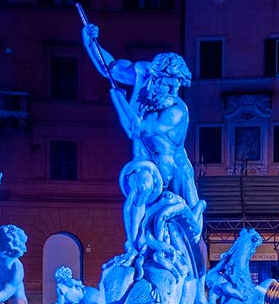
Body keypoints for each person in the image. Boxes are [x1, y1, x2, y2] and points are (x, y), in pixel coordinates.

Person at [81, 22, 201, 267]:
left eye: (177, 86)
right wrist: (91, 42)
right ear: (156, 77)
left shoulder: (177, 110)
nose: (173, 90)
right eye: (170, 84)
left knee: (194, 234)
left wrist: (118, 100)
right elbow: (110, 68)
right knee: (141, 187)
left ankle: (198, 289)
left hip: (175, 171)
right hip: (147, 165)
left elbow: (137, 129)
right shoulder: (142, 73)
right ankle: (134, 247)